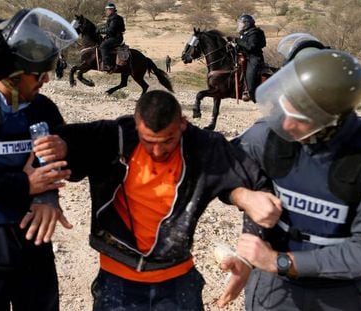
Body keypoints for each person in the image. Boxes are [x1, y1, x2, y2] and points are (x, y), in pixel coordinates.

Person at [34, 89, 282, 310]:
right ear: (136, 125)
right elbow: (55, 143)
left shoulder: (204, 146)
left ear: (183, 124)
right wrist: (47, 193)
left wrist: (248, 253)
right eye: (148, 142)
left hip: (177, 281)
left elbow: (254, 183)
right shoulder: (115, 137)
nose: (157, 151)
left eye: (168, 141)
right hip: (117, 280)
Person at [218, 49, 361, 310]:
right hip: (273, 288)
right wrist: (242, 196)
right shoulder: (269, 136)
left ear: (331, 121)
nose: (285, 125)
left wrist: (280, 261)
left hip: (338, 292)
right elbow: (221, 168)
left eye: (299, 119)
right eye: (283, 110)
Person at [0, 8, 78, 310]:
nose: (47, 80)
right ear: (13, 74)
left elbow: (67, 155)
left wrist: (48, 196)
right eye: (39, 74)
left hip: (33, 251)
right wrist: (25, 184)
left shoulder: (42, 109)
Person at [228, 14, 266, 102]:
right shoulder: (244, 33)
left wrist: (237, 40)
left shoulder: (254, 33)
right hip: (244, 56)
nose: (240, 25)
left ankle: (250, 92)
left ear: (247, 24)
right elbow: (241, 45)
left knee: (250, 75)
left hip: (254, 58)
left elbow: (250, 47)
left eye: (241, 23)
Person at [99, 2, 125, 72]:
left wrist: (100, 31)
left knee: (103, 46)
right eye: (106, 10)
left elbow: (111, 30)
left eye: (107, 10)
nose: (106, 12)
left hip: (116, 38)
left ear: (111, 10)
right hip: (114, 37)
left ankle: (107, 65)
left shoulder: (115, 18)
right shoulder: (112, 18)